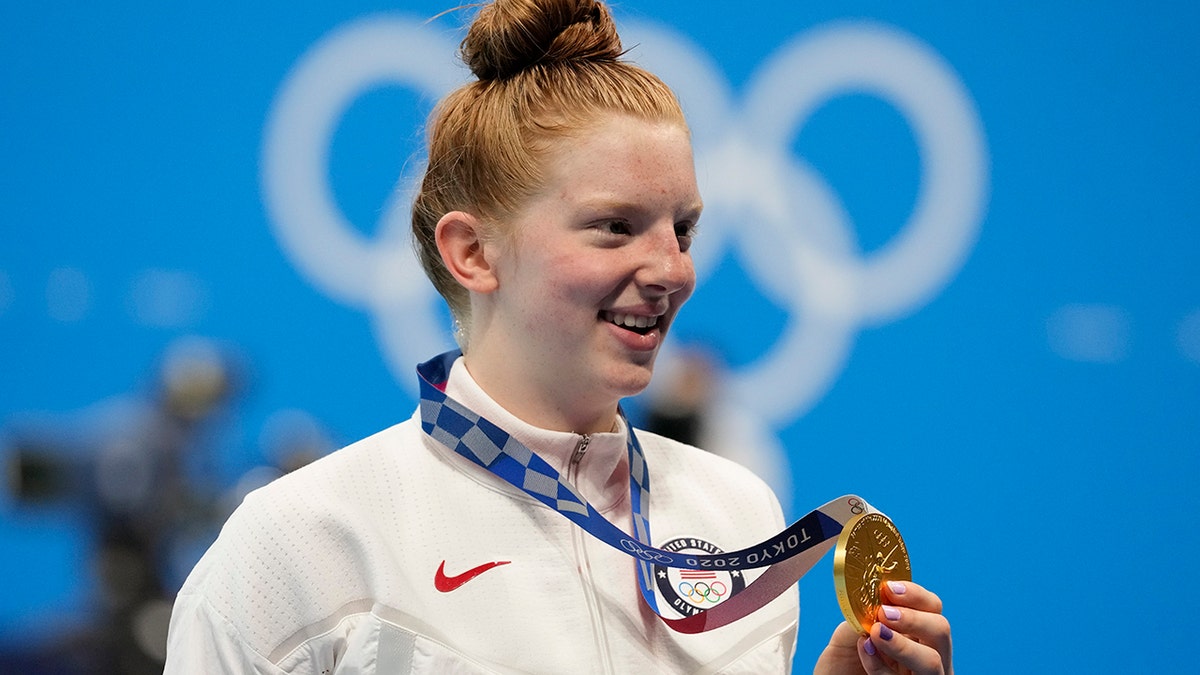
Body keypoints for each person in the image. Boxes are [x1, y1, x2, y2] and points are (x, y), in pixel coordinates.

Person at [164, 0, 953, 672]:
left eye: (682, 229)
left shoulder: (734, 512)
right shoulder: (303, 542)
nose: (671, 270)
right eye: (614, 227)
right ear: (472, 252)